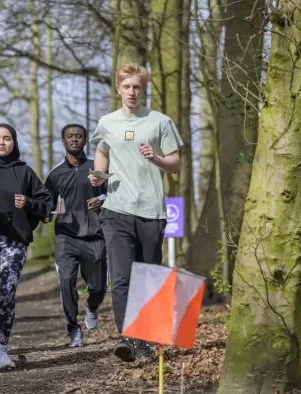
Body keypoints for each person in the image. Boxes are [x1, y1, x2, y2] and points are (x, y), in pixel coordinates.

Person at [89, 63, 183, 363]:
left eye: (137, 87)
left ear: (143, 90)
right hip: (116, 209)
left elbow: (175, 163)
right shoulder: (107, 122)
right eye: (126, 86)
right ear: (118, 88)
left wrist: (155, 157)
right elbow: (102, 150)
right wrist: (99, 175)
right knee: (120, 278)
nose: (131, 92)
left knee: (147, 277)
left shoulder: (160, 122)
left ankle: (144, 340)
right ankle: (128, 337)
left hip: (151, 211)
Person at [0, 124, 53, 368]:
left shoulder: (24, 172)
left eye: (6, 138)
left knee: (7, 291)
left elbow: (46, 203)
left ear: (14, 141)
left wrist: (28, 203)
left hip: (14, 239)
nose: (1, 142)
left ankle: (2, 349)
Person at [43, 124, 108, 348]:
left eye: (79, 136)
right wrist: (42, 214)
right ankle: (73, 329)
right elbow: (46, 204)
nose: (74, 140)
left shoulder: (97, 167)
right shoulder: (55, 174)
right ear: (63, 141)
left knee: (99, 287)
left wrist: (103, 200)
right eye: (70, 136)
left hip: (95, 234)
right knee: (66, 280)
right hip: (66, 235)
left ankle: (92, 305)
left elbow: (115, 193)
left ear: (85, 140)